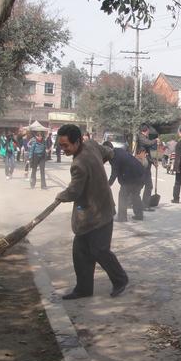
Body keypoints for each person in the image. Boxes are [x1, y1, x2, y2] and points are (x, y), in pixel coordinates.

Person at [55, 124, 128, 300]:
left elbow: (73, 192)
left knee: (99, 250)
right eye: (61, 145)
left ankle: (120, 279)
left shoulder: (78, 164)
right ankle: (84, 288)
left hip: (97, 214)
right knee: (80, 252)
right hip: (96, 211)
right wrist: (97, 167)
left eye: (66, 145)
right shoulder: (92, 145)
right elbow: (109, 153)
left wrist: (59, 196)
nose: (62, 149)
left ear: (77, 141)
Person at [109, 147, 145, 222]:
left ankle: (122, 217)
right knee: (135, 195)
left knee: (123, 195)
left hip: (131, 177)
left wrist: (108, 184)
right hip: (140, 173)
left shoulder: (115, 157)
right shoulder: (119, 151)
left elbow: (114, 173)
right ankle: (139, 215)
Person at [136, 124, 158, 212]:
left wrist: (153, 162)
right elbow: (148, 143)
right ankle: (139, 203)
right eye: (148, 130)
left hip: (146, 165)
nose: (149, 132)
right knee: (144, 185)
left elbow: (147, 154)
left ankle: (141, 203)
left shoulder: (144, 138)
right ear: (146, 130)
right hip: (142, 165)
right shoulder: (141, 137)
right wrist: (155, 140)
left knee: (145, 185)